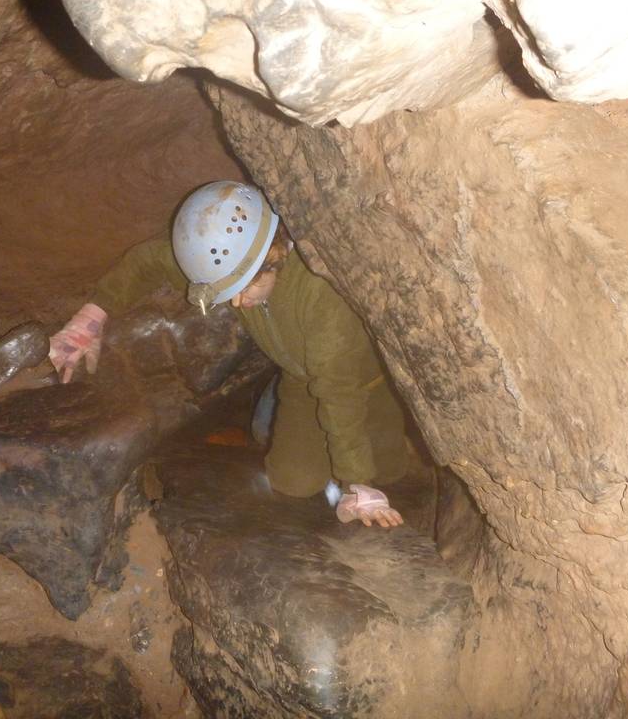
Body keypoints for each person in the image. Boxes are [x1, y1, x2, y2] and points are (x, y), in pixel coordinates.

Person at [48, 181, 409, 528]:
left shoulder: (319, 297)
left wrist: (357, 482)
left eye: (247, 286)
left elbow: (338, 394)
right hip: (298, 375)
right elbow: (148, 260)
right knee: (292, 481)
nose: (238, 301)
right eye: (229, 291)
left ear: (274, 255)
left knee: (389, 473)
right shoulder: (228, 262)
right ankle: (274, 402)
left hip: (361, 383)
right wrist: (91, 318)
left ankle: (385, 432)